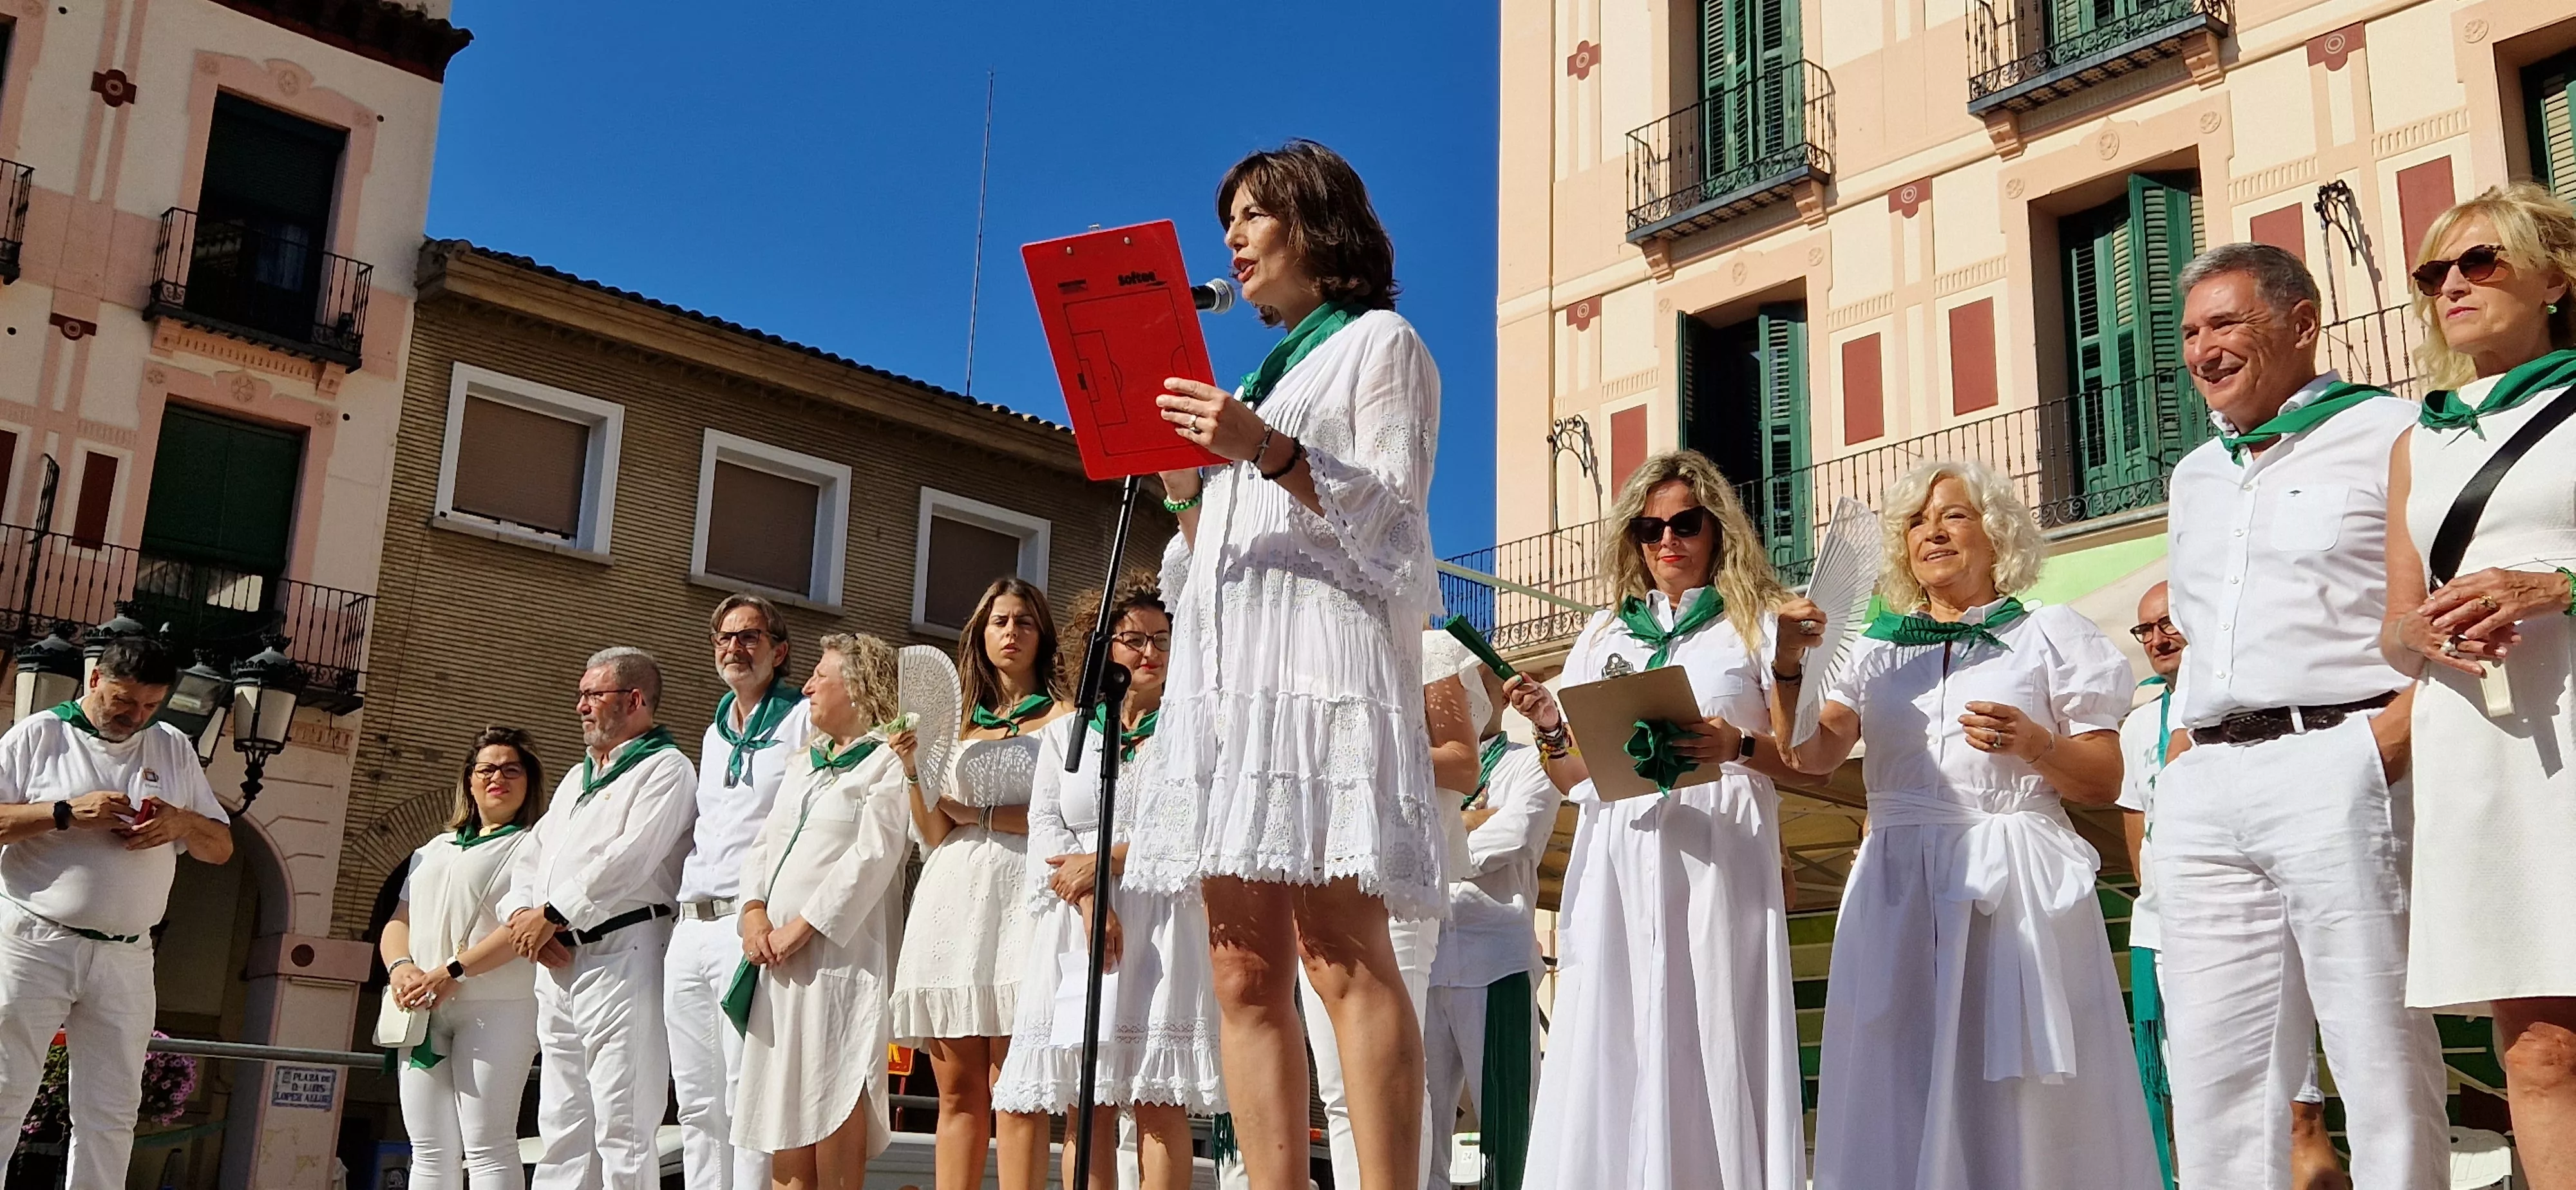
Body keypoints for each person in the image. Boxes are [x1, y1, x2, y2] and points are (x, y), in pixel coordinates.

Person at [1133, 138, 1443, 1190]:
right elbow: (1200, 571)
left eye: (1254, 215)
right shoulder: (1259, 372)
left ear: (1316, 224)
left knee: (1339, 949)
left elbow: (1396, 522)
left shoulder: (1379, 344)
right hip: (1230, 681)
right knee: (1241, 967)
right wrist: (1186, 493)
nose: (1232, 238)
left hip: (1318, 666)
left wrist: (1265, 448)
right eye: (1229, 221)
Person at [1777, 458, 2159, 1190]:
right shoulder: (1874, 649)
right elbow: (1811, 753)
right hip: (1897, 876)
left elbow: (2105, 778)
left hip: (2015, 873)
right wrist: (1790, 665)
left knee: (2019, 1081)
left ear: (1996, 533)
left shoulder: (2052, 633)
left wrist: (2034, 745)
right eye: (1917, 521)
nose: (1932, 532)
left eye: (1952, 514)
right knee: (1899, 1061)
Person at [2154, 241, 2447, 1190]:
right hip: (2206, 784)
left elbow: (2438, 602)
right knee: (2214, 1068)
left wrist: (2386, 740)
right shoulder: (2194, 475)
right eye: (2192, 331)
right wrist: (2183, 756)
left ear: (2302, 322)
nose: (2204, 350)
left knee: (2376, 1045)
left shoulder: (2399, 432)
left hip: (2340, 757)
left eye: (2226, 324)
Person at [1502, 450, 1805, 1190]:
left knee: (1717, 1014)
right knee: (1617, 1018)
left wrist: (1732, 744)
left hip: (1718, 840)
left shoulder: (1761, 625)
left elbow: (1805, 756)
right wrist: (1548, 724)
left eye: (1684, 523)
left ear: (1716, 530)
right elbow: (1574, 772)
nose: (1666, 540)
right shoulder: (1604, 634)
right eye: (1648, 527)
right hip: (1621, 846)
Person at [2382, 183, 2576, 1189]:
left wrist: (2557, 584)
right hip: (2480, 747)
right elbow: (2393, 622)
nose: (2452, 285)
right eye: (2435, 274)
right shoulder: (2419, 440)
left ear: (2555, 277)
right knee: (2539, 1046)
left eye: (2481, 263)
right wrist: (2416, 632)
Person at [994, 580, 1225, 1190]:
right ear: (1103, 648)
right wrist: (1093, 899)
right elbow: (1044, 826)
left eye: (1163, 641)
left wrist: (1108, 861)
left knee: (1155, 1099)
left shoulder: (1193, 733)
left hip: (1159, 922)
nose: (1149, 652)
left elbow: (1191, 827)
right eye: (1132, 639)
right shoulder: (1065, 736)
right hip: (1076, 925)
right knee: (1084, 1101)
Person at [2117, 587, 2347, 1190]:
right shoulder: (2138, 723)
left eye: (2169, 623)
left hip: (2261, 925)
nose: (2159, 638)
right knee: (2199, 1112)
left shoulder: (2253, 703)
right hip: (2169, 935)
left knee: (2297, 1111)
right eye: (2146, 631)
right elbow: (2138, 832)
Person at [0, 638, 232, 1189]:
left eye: (152, 706)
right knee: (5, 1088)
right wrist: (63, 813)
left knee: (113, 1108)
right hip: (35, 940)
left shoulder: (172, 746)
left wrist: (182, 823)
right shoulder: (39, 735)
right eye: (125, 702)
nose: (137, 717)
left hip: (129, 953)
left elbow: (219, 847)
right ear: (95, 680)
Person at [892, 576, 1069, 1190]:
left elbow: (1070, 814)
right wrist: (914, 770)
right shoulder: (959, 723)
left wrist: (985, 816)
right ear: (981, 633)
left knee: (1018, 1087)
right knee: (956, 1093)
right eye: (999, 622)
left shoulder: (1066, 719)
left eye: (1023, 621)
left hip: (1025, 892)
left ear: (1040, 633)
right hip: (954, 898)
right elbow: (937, 830)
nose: (1011, 632)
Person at [501, 647, 697, 1190]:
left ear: (634, 700)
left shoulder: (666, 769)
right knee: (561, 1124)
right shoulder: (576, 778)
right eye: (581, 696)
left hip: (624, 952)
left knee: (625, 1124)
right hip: (561, 961)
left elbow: (632, 859)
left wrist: (554, 913)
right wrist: (524, 916)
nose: (581, 708)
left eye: (594, 695)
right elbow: (532, 856)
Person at [733, 633, 918, 1190]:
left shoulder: (887, 763)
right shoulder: (802, 765)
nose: (807, 685)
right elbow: (763, 845)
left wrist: (802, 927)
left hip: (841, 964)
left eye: (820, 674)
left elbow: (874, 856)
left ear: (858, 688)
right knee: (782, 1109)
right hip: (780, 967)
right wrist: (753, 914)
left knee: (835, 1097)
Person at [1300, 633, 1469, 1190]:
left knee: (1393, 1072)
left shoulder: (1428, 648)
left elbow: (1462, 761)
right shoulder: (1311, 651)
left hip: (1396, 876)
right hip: (1322, 874)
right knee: (1337, 1084)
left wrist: (1361, 750)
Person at [671, 594, 809, 1190]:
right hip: (690, 924)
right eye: (725, 638)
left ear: (778, 652)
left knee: (744, 1091)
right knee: (697, 1100)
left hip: (748, 923)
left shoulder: (802, 719)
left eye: (750, 637)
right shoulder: (714, 730)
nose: (735, 648)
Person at [382, 727, 549, 1190]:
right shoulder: (432, 849)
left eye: (511, 769)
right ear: (470, 781)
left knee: (489, 1145)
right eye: (487, 769)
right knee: (429, 1150)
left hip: (499, 1007)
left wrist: (452, 971)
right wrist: (402, 969)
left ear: (529, 781)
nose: (498, 777)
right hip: (424, 1010)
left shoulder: (536, 845)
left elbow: (521, 926)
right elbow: (399, 921)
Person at [1421, 638, 1560, 1190]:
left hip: (1493, 958)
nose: (1470, 695)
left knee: (1509, 1121)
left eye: (1477, 681)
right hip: (1424, 959)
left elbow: (1517, 834)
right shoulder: (1424, 763)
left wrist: (1444, 843)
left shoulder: (1530, 762)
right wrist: (1471, 822)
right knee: (1416, 1124)